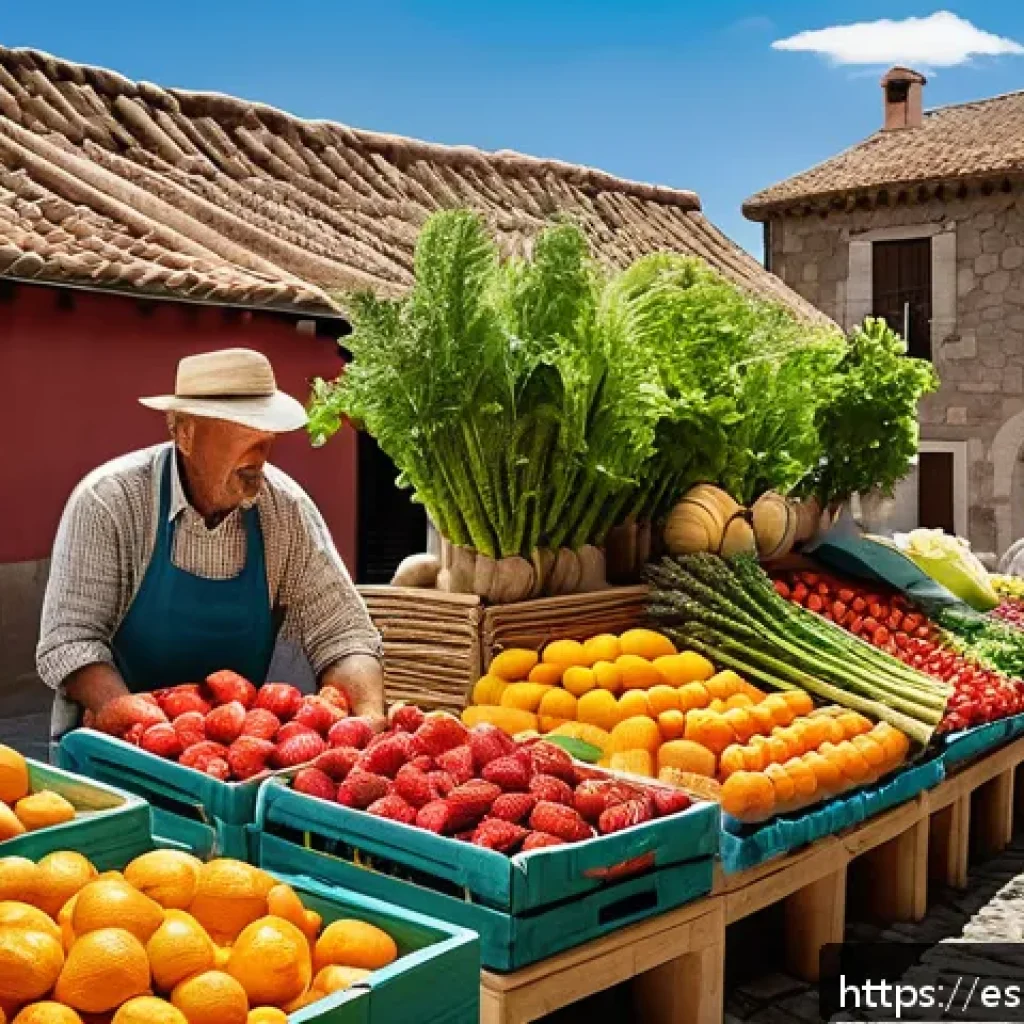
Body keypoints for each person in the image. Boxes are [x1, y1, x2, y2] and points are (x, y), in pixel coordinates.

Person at [37, 348, 384, 741]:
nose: (263, 448)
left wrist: (368, 720)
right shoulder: (110, 501)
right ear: (185, 433)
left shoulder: (286, 510)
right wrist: (146, 729)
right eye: (245, 428)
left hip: (230, 756)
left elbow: (344, 635)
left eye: (268, 431)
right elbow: (71, 643)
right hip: (114, 756)